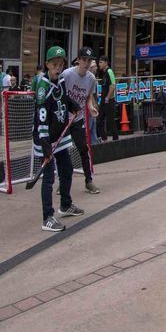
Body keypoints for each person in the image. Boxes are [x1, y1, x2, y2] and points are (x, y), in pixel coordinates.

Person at [32, 46, 84, 232]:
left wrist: (74, 105)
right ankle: (47, 217)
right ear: (47, 64)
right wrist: (45, 145)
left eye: (60, 64)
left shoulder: (60, 80)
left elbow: (64, 98)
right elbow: (42, 119)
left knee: (67, 169)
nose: (58, 68)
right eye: (54, 64)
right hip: (45, 138)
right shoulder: (43, 88)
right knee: (48, 178)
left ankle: (66, 204)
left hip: (60, 135)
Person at [60, 48, 101, 194]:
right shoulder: (67, 74)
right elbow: (60, 94)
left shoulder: (91, 79)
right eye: (84, 60)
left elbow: (88, 96)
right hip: (64, 119)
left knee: (83, 148)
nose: (86, 63)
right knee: (62, 152)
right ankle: (62, 182)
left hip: (78, 119)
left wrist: (90, 108)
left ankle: (88, 181)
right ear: (78, 60)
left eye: (89, 60)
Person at [97, 58, 118, 141]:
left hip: (108, 101)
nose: (99, 64)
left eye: (101, 62)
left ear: (106, 62)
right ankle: (104, 139)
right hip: (103, 100)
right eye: (99, 62)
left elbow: (113, 85)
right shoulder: (104, 73)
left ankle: (115, 139)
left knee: (110, 121)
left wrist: (107, 98)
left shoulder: (109, 71)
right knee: (99, 121)